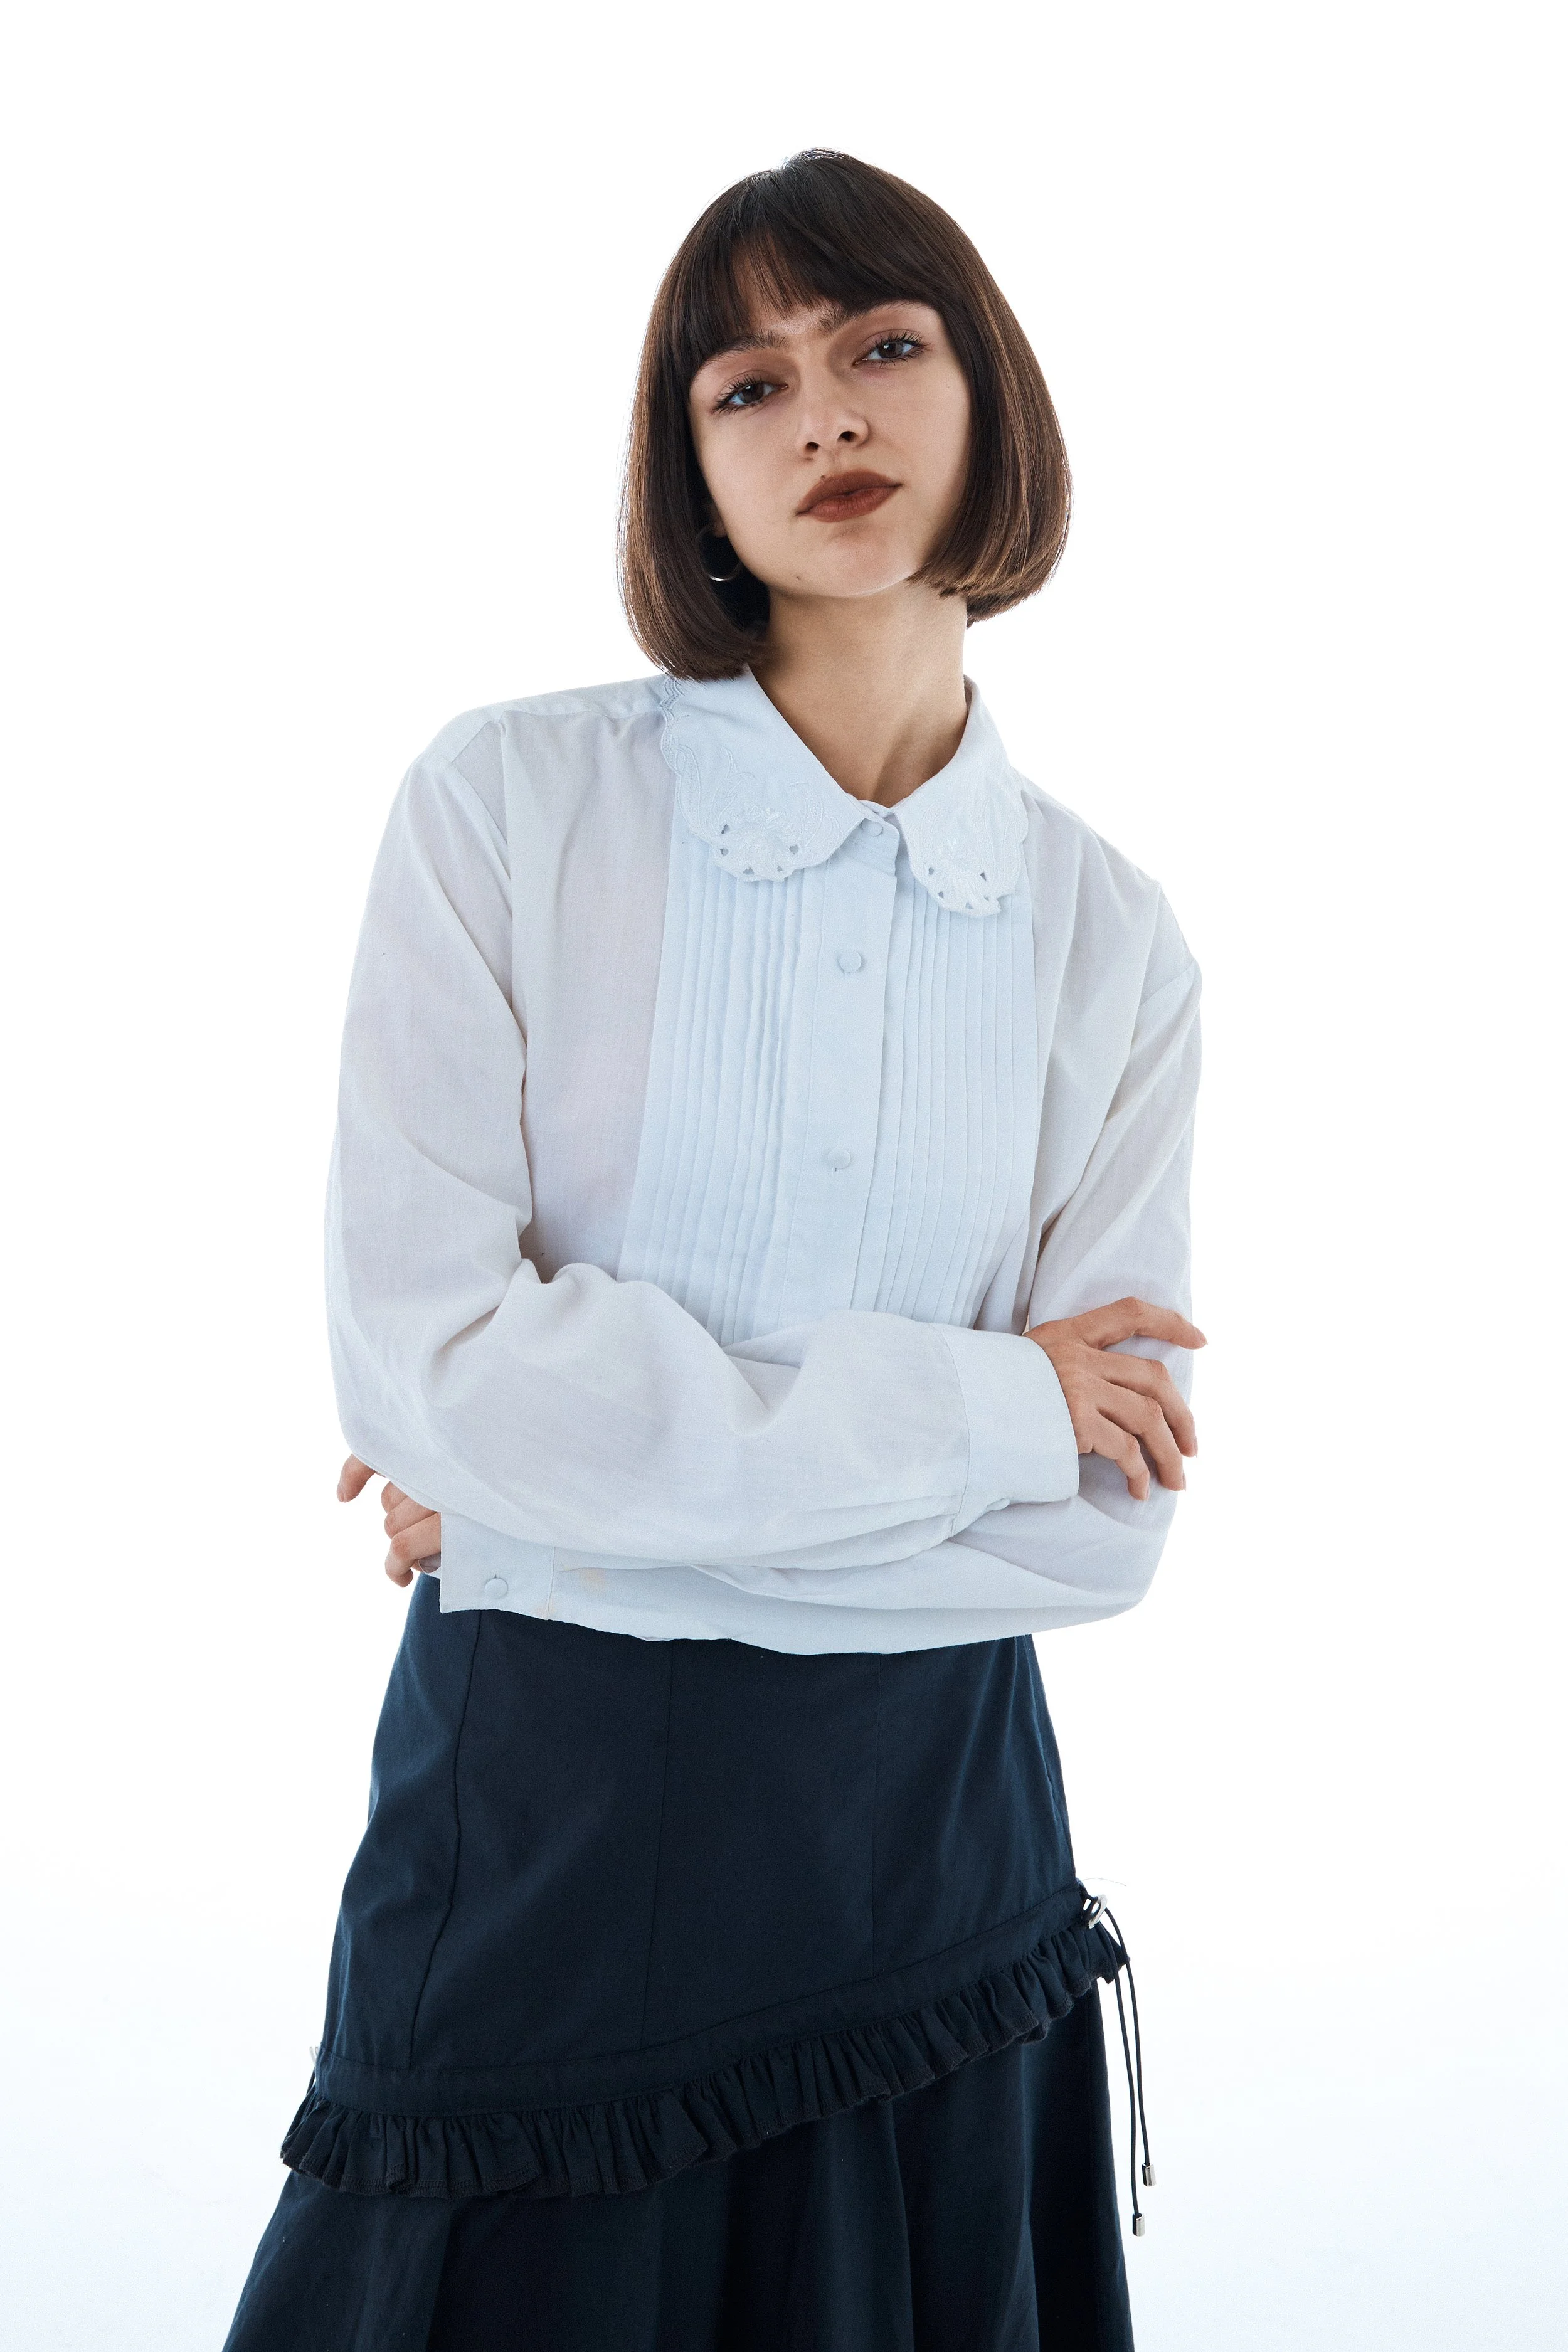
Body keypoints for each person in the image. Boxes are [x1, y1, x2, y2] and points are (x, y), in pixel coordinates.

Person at [223, 148, 1204, 2352]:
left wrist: (558, 1501)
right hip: (546, 1825)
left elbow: (1096, 1541)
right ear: (686, 470)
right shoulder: (506, 809)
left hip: (934, 1853)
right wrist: (991, 1401)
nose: (823, 415)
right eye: (743, 387)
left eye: (879, 346)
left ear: (987, 394)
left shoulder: (1107, 938)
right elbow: (426, 1369)